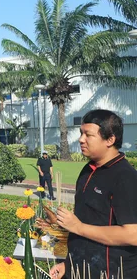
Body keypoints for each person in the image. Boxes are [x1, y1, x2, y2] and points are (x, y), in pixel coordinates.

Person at [49, 110, 137, 279]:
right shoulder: (87, 170)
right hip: (80, 270)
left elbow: (133, 234)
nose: (81, 139)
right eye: (81, 133)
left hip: (111, 272)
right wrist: (68, 264)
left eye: (88, 134)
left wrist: (78, 227)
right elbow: (85, 221)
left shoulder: (125, 177)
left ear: (110, 139)